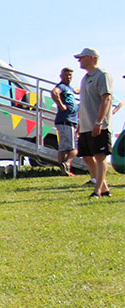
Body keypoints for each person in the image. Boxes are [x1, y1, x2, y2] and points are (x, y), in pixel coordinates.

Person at [74, 48, 114, 198]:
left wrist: (99, 121)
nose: (79, 60)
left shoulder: (102, 75)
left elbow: (106, 98)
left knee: (100, 156)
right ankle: (104, 189)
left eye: (82, 57)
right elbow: (85, 103)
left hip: (99, 124)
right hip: (85, 125)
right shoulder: (84, 78)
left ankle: (97, 190)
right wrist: (80, 123)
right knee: (86, 156)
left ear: (92, 58)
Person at [51, 67, 80, 177]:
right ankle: (66, 164)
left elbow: (77, 90)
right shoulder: (61, 86)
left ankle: (63, 169)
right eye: (66, 75)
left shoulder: (69, 88)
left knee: (64, 148)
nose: (68, 77)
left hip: (69, 121)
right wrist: (61, 105)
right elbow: (54, 92)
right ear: (61, 76)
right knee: (73, 149)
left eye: (70, 75)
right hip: (66, 120)